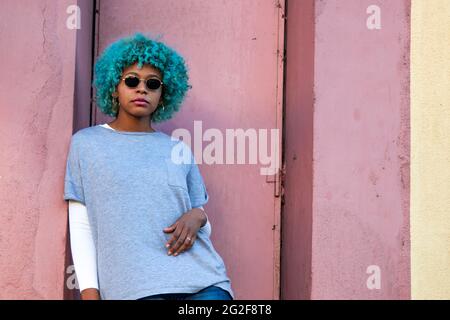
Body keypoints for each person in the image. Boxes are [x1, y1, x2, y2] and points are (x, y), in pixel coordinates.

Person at [64, 32, 234, 300]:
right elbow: (82, 224)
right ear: (114, 87)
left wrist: (199, 216)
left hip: (204, 284)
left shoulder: (177, 149)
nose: (142, 89)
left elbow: (198, 220)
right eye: (132, 81)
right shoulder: (87, 144)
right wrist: (89, 293)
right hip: (134, 289)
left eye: (153, 84)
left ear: (163, 94)